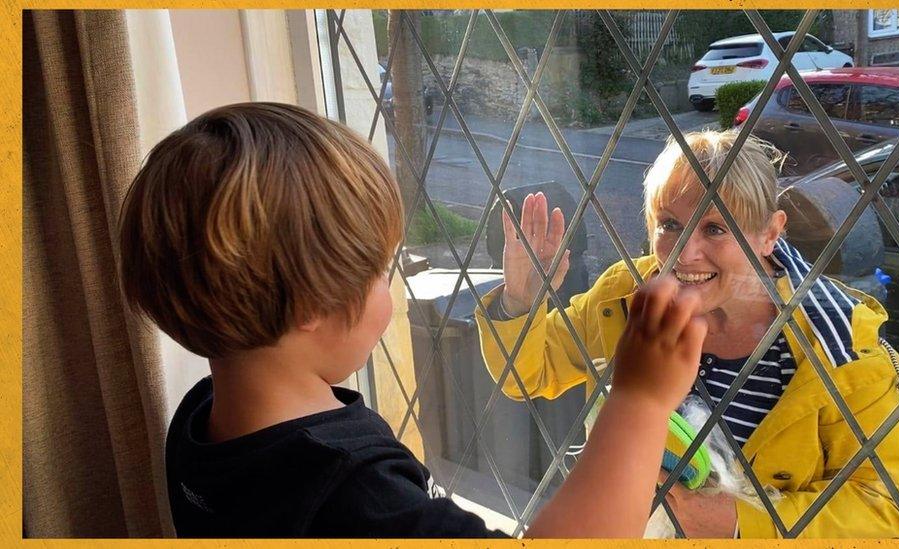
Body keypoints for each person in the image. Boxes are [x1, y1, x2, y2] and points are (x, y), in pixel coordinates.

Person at [117, 102, 709, 538]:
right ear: (310, 308)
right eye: (381, 270)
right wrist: (640, 402)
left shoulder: (202, 422)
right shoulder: (354, 494)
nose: (393, 285)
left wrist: (520, 298)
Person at [475, 130, 899, 538]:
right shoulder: (630, 296)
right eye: (670, 224)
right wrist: (522, 301)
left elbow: (889, 500)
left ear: (769, 234)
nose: (686, 253)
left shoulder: (841, 345)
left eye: (715, 228)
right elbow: (527, 375)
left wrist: (741, 525)